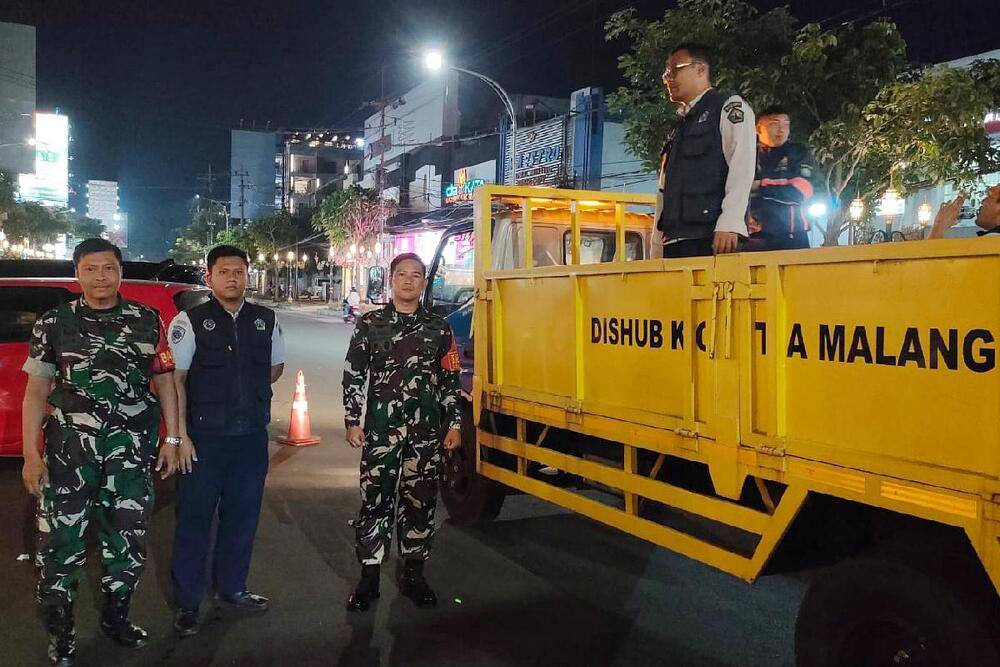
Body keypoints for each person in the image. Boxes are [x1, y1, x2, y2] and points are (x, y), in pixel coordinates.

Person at [21, 238, 180, 666]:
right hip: (69, 456)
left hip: (130, 454)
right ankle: (61, 633)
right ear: (77, 274)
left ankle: (116, 617)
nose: (100, 277)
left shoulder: (147, 320)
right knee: (60, 544)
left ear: (120, 272)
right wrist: (31, 455)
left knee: (127, 539)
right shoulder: (54, 323)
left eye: (108, 268)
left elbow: (165, 382)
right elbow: (36, 391)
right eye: (90, 269)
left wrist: (173, 438)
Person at [167, 245, 285, 637]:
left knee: (242, 517)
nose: (232, 278)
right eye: (224, 272)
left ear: (248, 276)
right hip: (204, 439)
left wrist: (244, 392)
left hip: (250, 438)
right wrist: (179, 436)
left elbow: (276, 368)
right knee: (194, 519)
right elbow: (176, 381)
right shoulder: (190, 321)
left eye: (239, 271)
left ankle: (232, 587)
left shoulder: (266, 320)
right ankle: (188, 602)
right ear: (210, 277)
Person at [342, 252, 463, 611]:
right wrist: (352, 420)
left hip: (426, 434)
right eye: (402, 274)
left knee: (420, 502)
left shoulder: (438, 328)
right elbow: (354, 374)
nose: (409, 281)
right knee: (375, 501)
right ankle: (369, 578)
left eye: (416, 275)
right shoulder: (370, 324)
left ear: (424, 282)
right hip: (382, 432)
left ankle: (414, 575)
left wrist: (454, 424)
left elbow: (450, 379)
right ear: (391, 280)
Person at [653, 42, 756, 258]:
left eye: (675, 69)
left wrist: (730, 222)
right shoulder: (677, 127)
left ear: (701, 69)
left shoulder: (727, 106)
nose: (668, 77)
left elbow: (742, 164)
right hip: (674, 238)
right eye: (666, 72)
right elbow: (664, 188)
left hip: (712, 237)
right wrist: (656, 243)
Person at [748, 106, 816, 250]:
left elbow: (800, 190)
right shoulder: (746, 154)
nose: (782, 129)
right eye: (774, 124)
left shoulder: (797, 152)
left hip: (793, 235)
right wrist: (783, 184)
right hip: (754, 235)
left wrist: (760, 185)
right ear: (758, 128)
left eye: (786, 124)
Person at [927, 184, 1000, 239]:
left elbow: (929, 254)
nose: (983, 201)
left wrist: (939, 225)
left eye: (989, 197)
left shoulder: (992, 241)